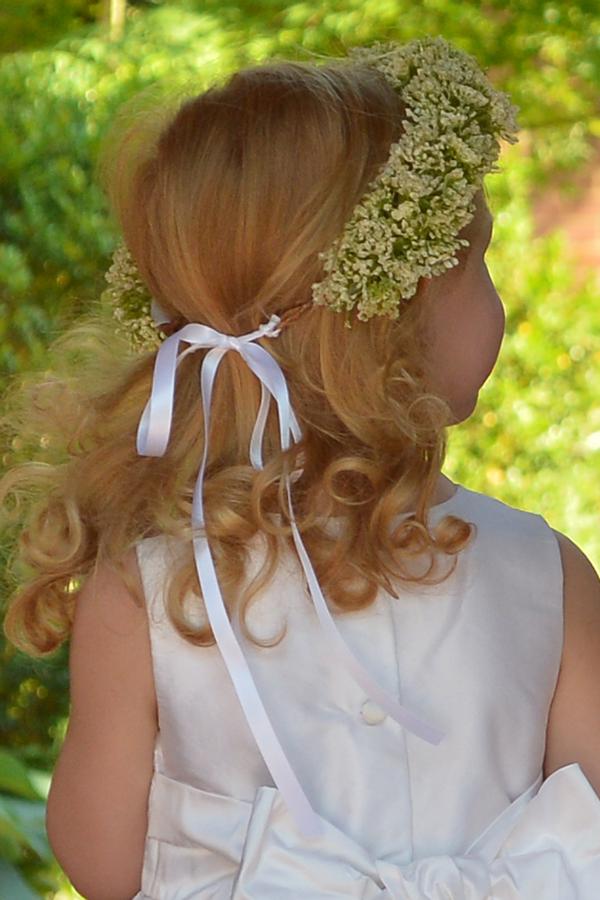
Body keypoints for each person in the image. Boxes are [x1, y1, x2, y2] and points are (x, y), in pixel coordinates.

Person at [1, 36, 599, 899]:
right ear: (394, 319)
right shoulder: (550, 574)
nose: (498, 296)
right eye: (480, 265)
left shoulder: (149, 587)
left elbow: (100, 857)